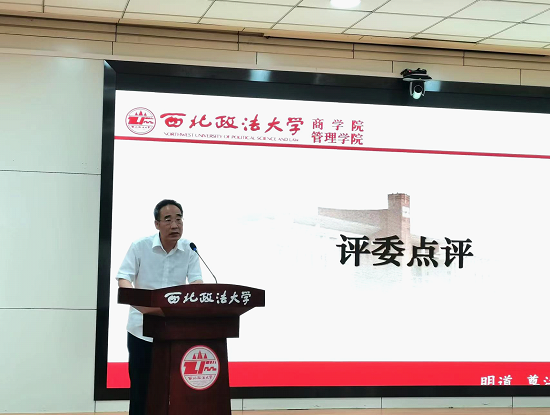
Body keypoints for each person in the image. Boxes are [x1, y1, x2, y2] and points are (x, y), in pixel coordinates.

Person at [116, 199, 203, 415]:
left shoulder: (190, 249)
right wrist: (135, 299)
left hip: (174, 331)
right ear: (157, 224)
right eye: (168, 220)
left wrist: (195, 295)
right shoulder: (140, 246)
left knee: (172, 388)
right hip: (141, 329)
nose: (175, 225)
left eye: (179, 219)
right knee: (141, 389)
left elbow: (196, 282)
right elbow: (124, 277)